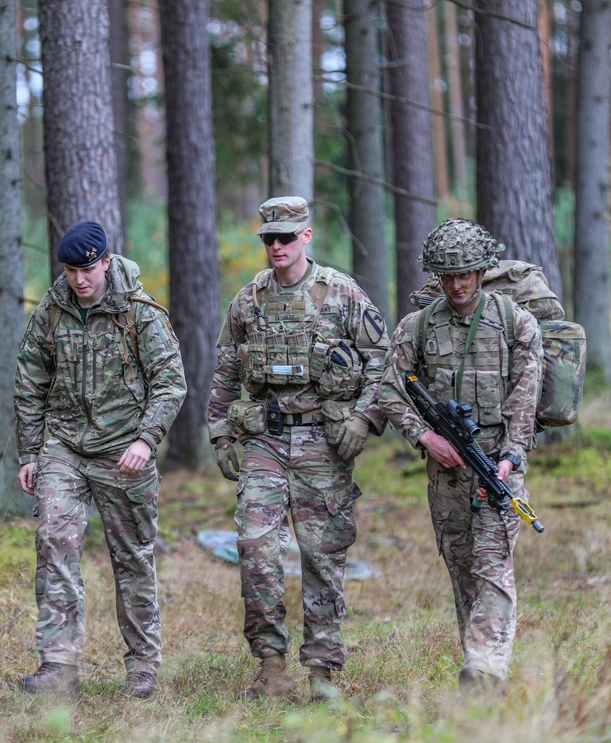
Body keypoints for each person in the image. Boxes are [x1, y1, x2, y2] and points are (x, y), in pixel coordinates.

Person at [207, 196, 388, 701]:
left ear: (307, 236)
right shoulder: (248, 300)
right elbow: (225, 371)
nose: (277, 246)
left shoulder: (341, 294)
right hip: (265, 439)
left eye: (286, 237)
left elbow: (383, 363)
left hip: (323, 445)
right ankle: (270, 666)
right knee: (255, 547)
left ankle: (322, 672)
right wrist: (221, 432)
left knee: (322, 554)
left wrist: (365, 417)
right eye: (269, 238)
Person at [14, 221, 187, 698]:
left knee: (131, 558)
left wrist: (146, 440)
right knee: (53, 543)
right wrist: (30, 452)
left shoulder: (139, 313)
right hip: (65, 447)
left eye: (87, 269)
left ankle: (142, 666)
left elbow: (171, 384)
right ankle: (58, 665)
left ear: (106, 263)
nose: (79, 280)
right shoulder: (52, 311)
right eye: (71, 271)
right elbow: (30, 381)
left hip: (123, 450)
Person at [378, 218, 542, 693]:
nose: (456, 283)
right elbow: (390, 390)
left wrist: (510, 458)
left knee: (492, 566)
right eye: (447, 275)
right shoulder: (419, 325)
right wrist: (425, 438)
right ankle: (481, 669)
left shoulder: (516, 322)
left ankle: (485, 666)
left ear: (482, 270)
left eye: (465, 273)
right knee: (463, 569)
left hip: (497, 465)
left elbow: (524, 398)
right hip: (445, 471)